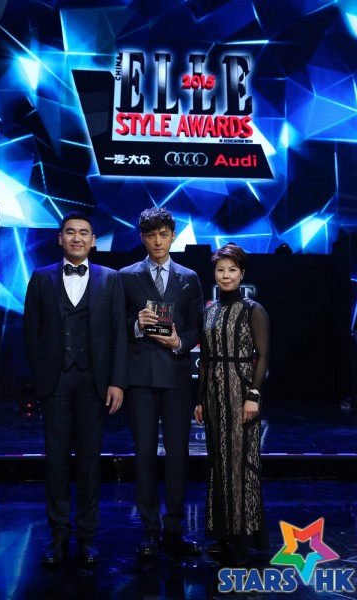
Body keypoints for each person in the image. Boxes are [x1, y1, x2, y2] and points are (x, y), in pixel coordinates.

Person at [23, 211, 128, 565]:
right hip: (55, 382)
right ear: (60, 238)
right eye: (70, 232)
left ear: (93, 240)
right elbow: (31, 332)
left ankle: (87, 537)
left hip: (94, 381)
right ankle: (58, 536)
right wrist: (41, 374)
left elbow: (119, 334)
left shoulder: (110, 279)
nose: (77, 238)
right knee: (56, 462)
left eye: (84, 233)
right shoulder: (41, 278)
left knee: (88, 462)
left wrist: (117, 381)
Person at [119, 207, 204, 558]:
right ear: (142, 237)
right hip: (139, 377)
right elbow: (115, 326)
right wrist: (137, 326)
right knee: (143, 455)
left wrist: (180, 341)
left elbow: (198, 326)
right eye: (151, 235)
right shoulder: (125, 276)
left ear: (173, 236)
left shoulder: (189, 277)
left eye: (164, 234)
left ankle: (173, 529)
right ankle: (150, 530)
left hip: (176, 375)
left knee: (178, 455)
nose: (158, 241)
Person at [194, 243, 270, 564]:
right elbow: (205, 360)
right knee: (219, 463)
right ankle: (223, 534)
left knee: (241, 462)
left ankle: (244, 536)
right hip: (213, 394)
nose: (226, 275)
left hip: (241, 392)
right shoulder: (209, 311)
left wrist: (253, 395)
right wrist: (200, 400)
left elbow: (262, 356)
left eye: (232, 270)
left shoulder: (254, 309)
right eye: (220, 270)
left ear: (242, 273)